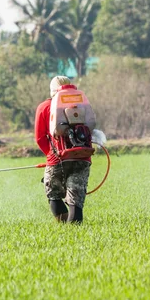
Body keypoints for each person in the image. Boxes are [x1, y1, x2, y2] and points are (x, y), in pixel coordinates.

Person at [35, 76, 91, 224]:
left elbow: (40, 138)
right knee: (75, 197)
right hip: (83, 157)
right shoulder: (82, 104)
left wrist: (51, 155)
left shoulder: (44, 107)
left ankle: (65, 231)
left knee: (53, 194)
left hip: (57, 158)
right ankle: (75, 233)